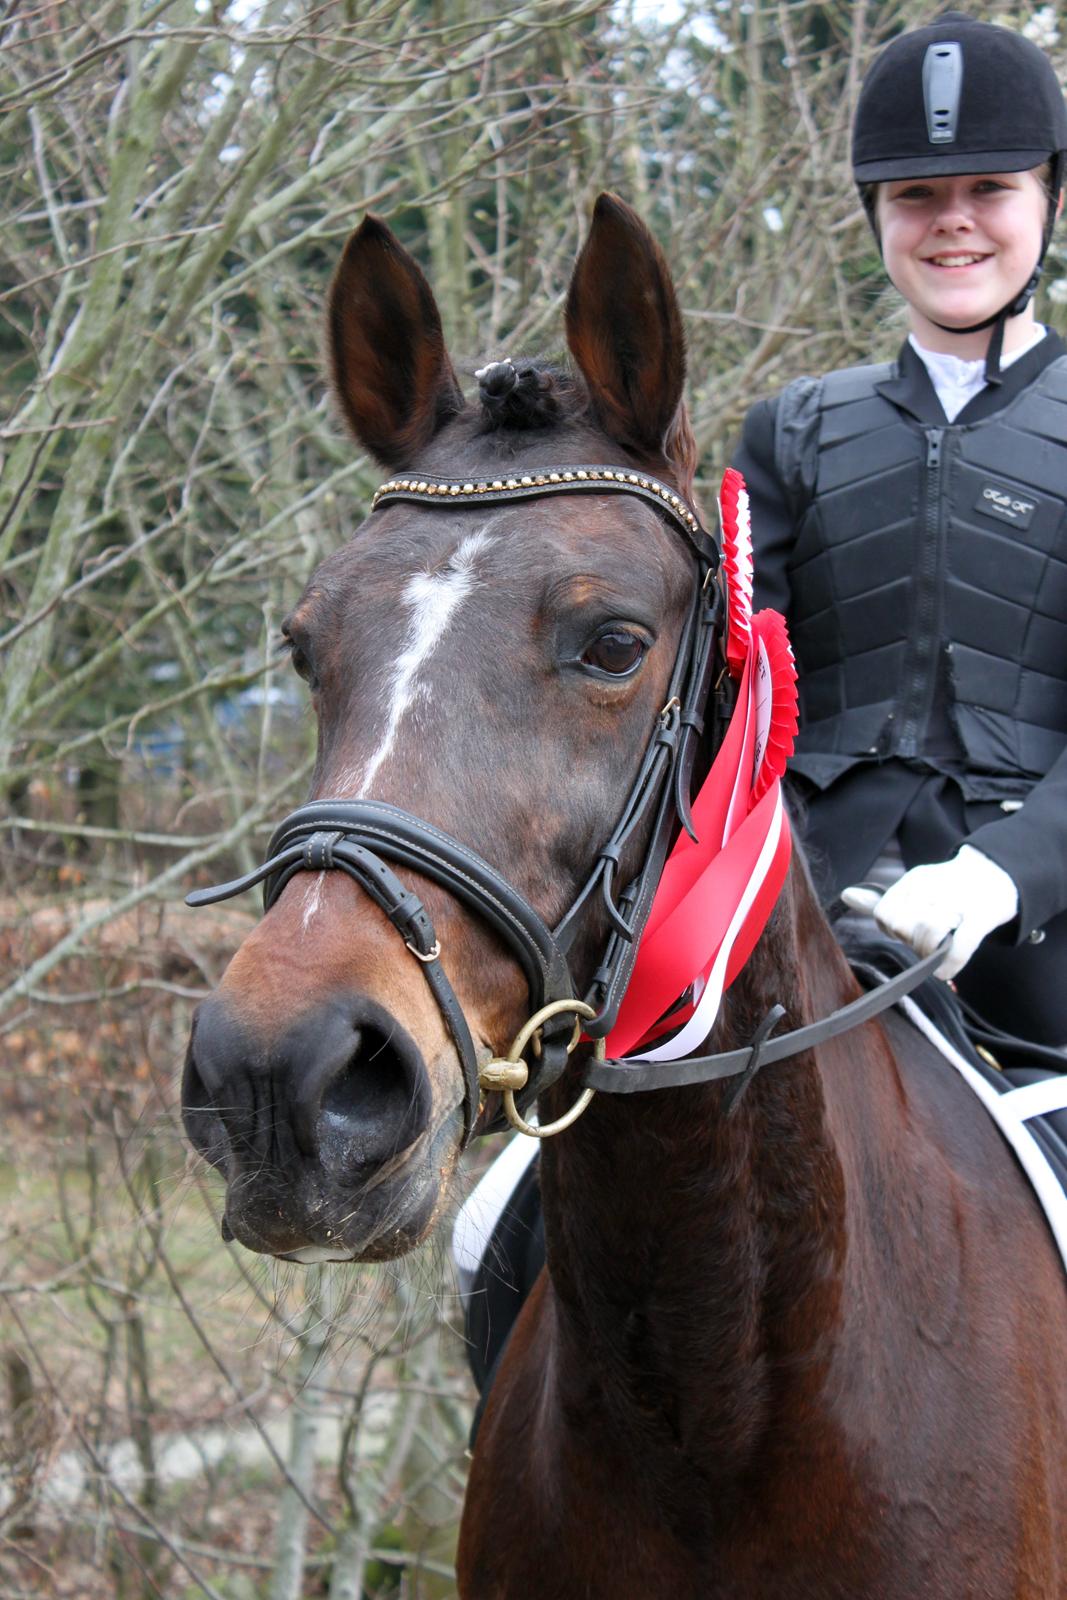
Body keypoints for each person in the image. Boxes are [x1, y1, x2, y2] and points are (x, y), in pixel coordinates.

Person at [734, 10, 1067, 1048]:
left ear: (1050, 198)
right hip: (792, 914)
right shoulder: (788, 428)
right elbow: (732, 698)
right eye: (915, 196)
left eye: (988, 190)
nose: (950, 222)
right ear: (875, 214)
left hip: (1032, 930)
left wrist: (1002, 875)